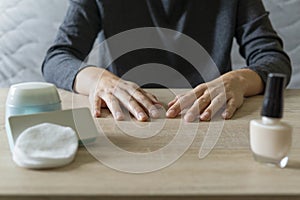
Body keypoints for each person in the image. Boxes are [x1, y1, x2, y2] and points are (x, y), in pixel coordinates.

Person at [42, 0, 291, 122]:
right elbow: (57, 57)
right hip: (122, 121)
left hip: (211, 120)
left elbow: (273, 59)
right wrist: (98, 80)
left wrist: (238, 80)